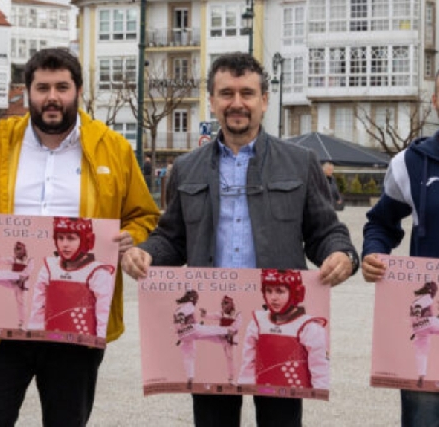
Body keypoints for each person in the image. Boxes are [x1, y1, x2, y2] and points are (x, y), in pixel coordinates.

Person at [0, 48, 160, 426]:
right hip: (1, 324)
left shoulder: (113, 149)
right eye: (43, 87)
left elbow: (142, 215)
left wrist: (130, 239)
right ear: (27, 92)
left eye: (62, 87)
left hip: (76, 322)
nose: (52, 97)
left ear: (78, 91)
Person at [121, 52, 358, 427]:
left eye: (247, 93)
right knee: (213, 421)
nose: (237, 103)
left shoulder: (299, 162)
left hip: (279, 320)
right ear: (212, 101)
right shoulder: (187, 167)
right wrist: (145, 253)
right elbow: (172, 237)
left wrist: (341, 254)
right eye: (226, 93)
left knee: (280, 422)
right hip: (212, 318)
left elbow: (325, 231)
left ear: (264, 101)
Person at [362, 70, 439, 424]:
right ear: (436, 100)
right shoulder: (410, 162)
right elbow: (381, 222)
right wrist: (374, 252)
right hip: (427, 317)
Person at [238, 269, 329, 390]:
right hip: (262, 389)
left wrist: (320, 391)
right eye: (268, 291)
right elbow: (248, 365)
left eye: (280, 291)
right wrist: (245, 387)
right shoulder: (257, 323)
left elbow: (320, 369)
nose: (273, 298)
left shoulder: (309, 327)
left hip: (296, 391)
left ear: (296, 293)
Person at [28, 217, 115, 339]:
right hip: (51, 340)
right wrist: (33, 337)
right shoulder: (48, 267)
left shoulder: (98, 273)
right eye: (60, 238)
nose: (64, 244)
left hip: (84, 343)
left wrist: (99, 342)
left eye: (71, 238)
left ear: (86, 240)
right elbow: (38, 308)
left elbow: (103, 314)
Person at [173, 289, 231, 390]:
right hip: (192, 329)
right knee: (209, 330)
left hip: (183, 335)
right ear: (192, 298)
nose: (196, 300)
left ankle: (190, 376)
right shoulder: (189, 305)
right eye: (196, 298)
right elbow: (184, 320)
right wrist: (190, 326)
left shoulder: (178, 309)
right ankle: (227, 332)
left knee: (188, 355)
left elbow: (178, 326)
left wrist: (181, 335)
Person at [200, 295, 241, 385]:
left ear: (231, 304)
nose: (223, 305)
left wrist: (228, 332)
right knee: (208, 333)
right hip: (221, 337)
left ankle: (232, 378)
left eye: (225, 303)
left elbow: (235, 328)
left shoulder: (237, 314)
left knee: (230, 358)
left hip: (231, 339)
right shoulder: (221, 313)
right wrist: (204, 314)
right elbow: (211, 316)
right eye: (222, 303)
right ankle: (198, 331)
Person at [0, 241, 33, 329]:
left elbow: (27, 272)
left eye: (18, 249)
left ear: (23, 250)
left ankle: (22, 322)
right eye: (15, 249)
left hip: (22, 284)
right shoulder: (14, 258)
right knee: (2, 276)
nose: (16, 251)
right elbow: (6, 260)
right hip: (13, 281)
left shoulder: (29, 260)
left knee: (21, 303)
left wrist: (20, 280)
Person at [409, 282, 439, 388]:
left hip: (418, 329)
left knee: (421, 353)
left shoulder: (415, 301)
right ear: (431, 291)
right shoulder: (427, 297)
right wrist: (418, 314)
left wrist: (414, 332)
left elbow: (413, 319)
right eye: (435, 290)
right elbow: (418, 307)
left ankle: (421, 375)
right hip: (428, 323)